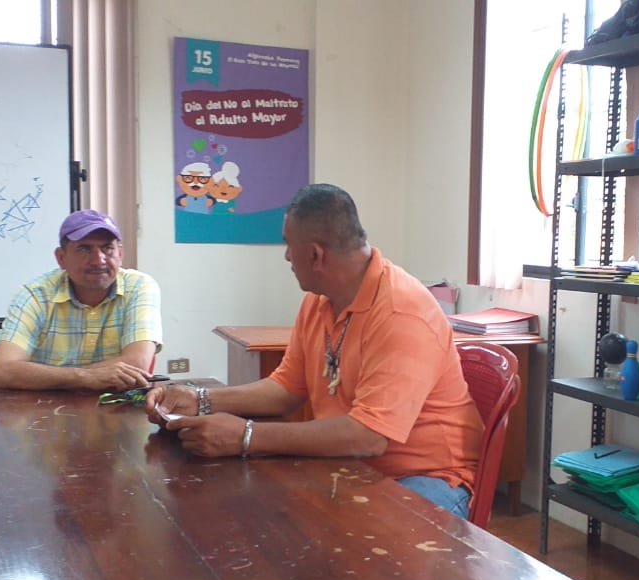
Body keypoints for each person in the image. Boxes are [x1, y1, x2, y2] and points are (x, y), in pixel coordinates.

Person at [145, 183, 483, 519]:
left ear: (315, 255)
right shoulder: (319, 300)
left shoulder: (402, 312)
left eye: (288, 245)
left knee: (332, 540)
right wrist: (201, 400)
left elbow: (369, 437)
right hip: (352, 463)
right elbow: (286, 389)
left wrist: (246, 436)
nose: (286, 257)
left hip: (427, 477)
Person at [0, 210, 162, 392]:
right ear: (61, 258)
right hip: (44, 406)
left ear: (120, 254)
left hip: (116, 404)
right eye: (84, 249)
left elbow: (137, 363)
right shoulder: (35, 295)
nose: (98, 260)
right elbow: (2, 371)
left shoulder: (139, 287)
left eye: (107, 248)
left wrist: (49, 377)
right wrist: (85, 377)